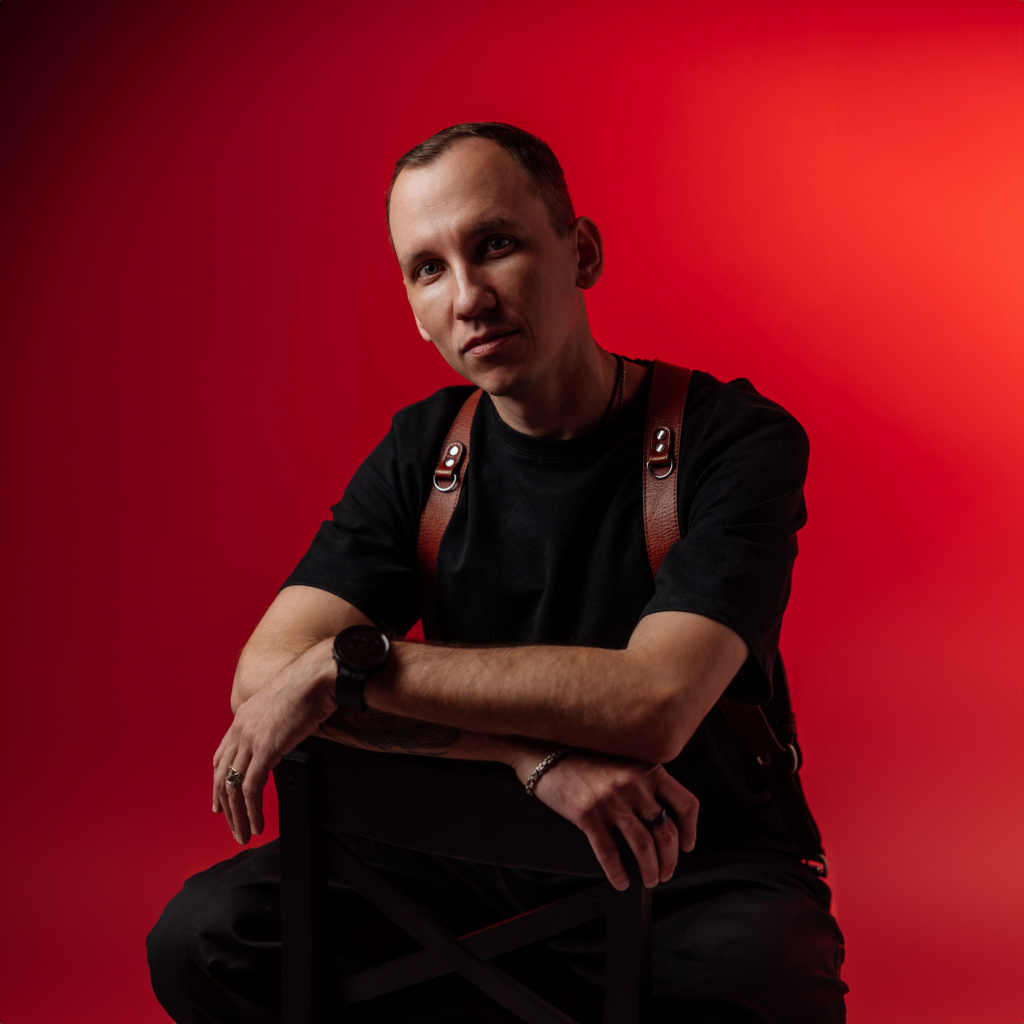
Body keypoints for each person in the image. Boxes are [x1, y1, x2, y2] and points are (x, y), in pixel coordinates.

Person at [148, 122, 847, 1023]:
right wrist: (530, 756)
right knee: (208, 937)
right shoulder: (423, 451)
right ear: (414, 307)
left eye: (496, 245)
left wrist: (345, 666)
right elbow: (264, 680)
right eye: (428, 269)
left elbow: (654, 703)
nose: (469, 298)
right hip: (460, 869)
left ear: (581, 252)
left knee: (766, 976)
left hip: (685, 865)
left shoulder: (732, 440)